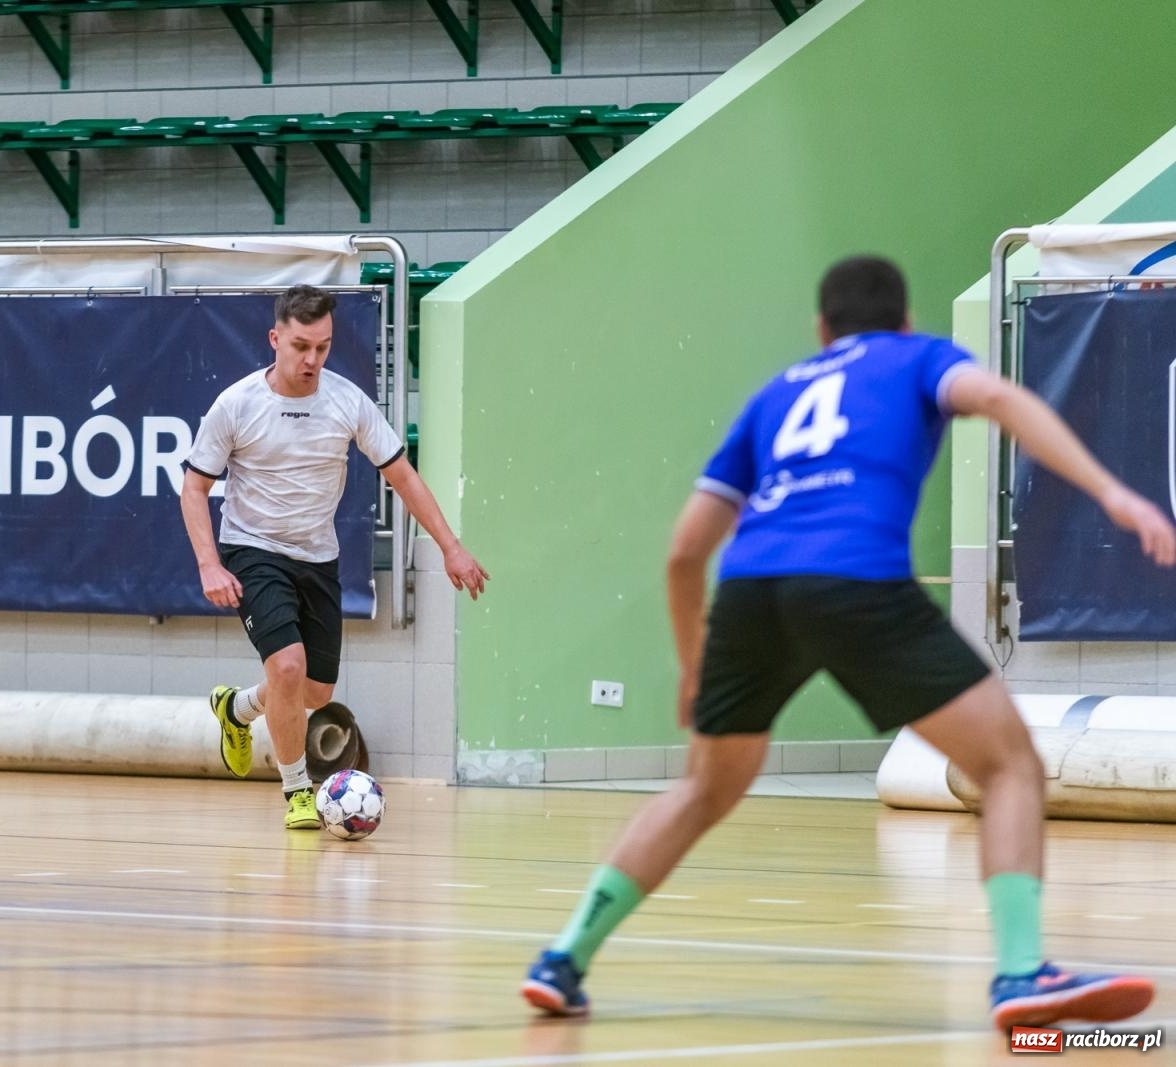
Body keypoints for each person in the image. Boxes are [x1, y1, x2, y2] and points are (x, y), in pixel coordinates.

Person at [522, 256, 1174, 1030]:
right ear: (904, 320)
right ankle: (1021, 972)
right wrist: (1111, 491)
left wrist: (694, 667)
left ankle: (563, 957)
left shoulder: (778, 391)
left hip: (752, 592)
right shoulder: (920, 356)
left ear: (821, 329)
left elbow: (685, 549)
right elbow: (998, 396)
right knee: (1008, 765)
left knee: (703, 788)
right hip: (855, 581)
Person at [181, 284, 488, 829]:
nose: (312, 359)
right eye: (301, 345)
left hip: (318, 557)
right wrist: (210, 563)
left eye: (322, 347)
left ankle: (236, 709)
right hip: (253, 550)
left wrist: (451, 546)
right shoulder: (236, 404)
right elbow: (194, 489)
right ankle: (298, 790)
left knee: (315, 692)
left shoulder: (346, 402)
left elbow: (402, 476)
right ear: (275, 339)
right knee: (288, 666)